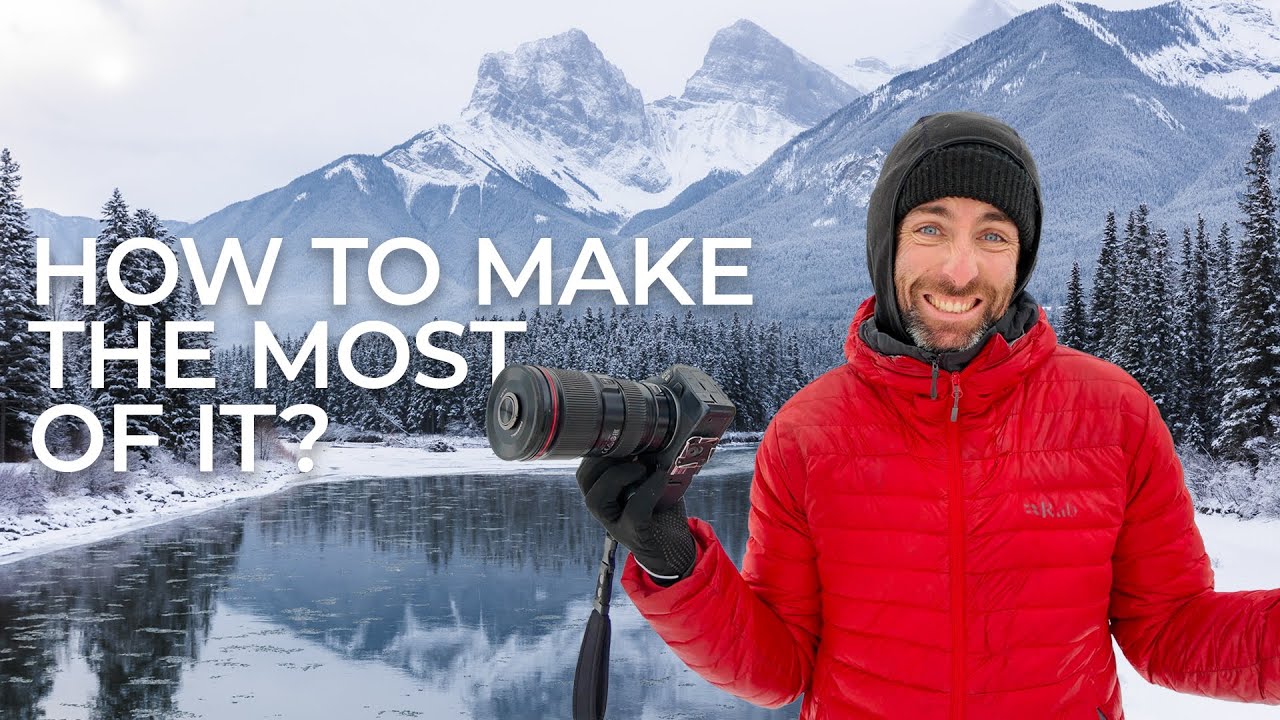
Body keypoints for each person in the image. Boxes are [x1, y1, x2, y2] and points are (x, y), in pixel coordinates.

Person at [576, 111, 1280, 719]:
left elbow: (1173, 631)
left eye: (994, 236)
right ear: (887, 246)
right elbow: (780, 668)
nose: (961, 270)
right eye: (932, 229)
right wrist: (676, 566)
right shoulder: (806, 434)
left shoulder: (1112, 414)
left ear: (1022, 257)